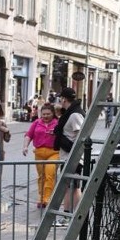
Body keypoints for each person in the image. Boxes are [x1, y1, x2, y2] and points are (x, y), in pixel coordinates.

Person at [52, 87, 85, 225]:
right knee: (68, 187)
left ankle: (76, 216)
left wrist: (66, 143)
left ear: (64, 99)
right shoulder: (70, 113)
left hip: (72, 158)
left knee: (73, 187)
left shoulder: (74, 115)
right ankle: (70, 216)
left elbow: (81, 135)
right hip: (68, 157)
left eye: (61, 98)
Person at [23, 102, 59, 209]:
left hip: (53, 153)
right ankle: (41, 197)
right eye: (44, 114)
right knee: (41, 176)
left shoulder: (57, 123)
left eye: (48, 114)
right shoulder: (36, 123)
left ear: (53, 113)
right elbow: (28, 135)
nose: (46, 116)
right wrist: (25, 147)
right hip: (39, 153)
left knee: (49, 174)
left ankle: (47, 199)